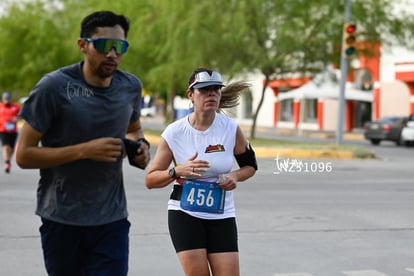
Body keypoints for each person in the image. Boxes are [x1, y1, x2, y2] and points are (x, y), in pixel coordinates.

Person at [16, 11, 150, 276]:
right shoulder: (53, 87)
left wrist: (141, 147)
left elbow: (134, 129)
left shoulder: (130, 87)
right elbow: (23, 155)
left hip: (112, 219)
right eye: (103, 45)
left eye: (120, 47)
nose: (112, 53)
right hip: (62, 218)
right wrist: (83, 151)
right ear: (83, 45)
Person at [145, 68, 257, 276]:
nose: (212, 94)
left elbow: (251, 166)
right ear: (191, 95)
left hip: (221, 214)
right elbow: (151, 180)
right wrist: (177, 171)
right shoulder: (174, 132)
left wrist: (234, 176)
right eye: (205, 90)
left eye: (216, 90)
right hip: (185, 213)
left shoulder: (231, 128)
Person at [0, 91, 21, 173]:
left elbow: (22, 115)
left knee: (11, 149)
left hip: (13, 130)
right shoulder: (0, 107)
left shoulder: (16, 107)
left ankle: (8, 159)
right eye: (5, 99)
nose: (7, 101)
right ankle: (7, 163)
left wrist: (17, 119)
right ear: (3, 99)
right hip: (3, 130)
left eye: (8, 99)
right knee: (6, 147)